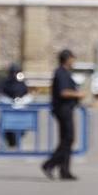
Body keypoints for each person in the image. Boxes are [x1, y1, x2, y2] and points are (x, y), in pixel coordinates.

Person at [42, 49, 85, 180]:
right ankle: (49, 164)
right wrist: (78, 94)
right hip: (63, 110)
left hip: (67, 109)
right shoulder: (60, 73)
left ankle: (64, 170)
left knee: (67, 140)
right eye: (72, 58)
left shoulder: (66, 73)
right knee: (68, 139)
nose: (73, 61)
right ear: (67, 59)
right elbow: (63, 92)